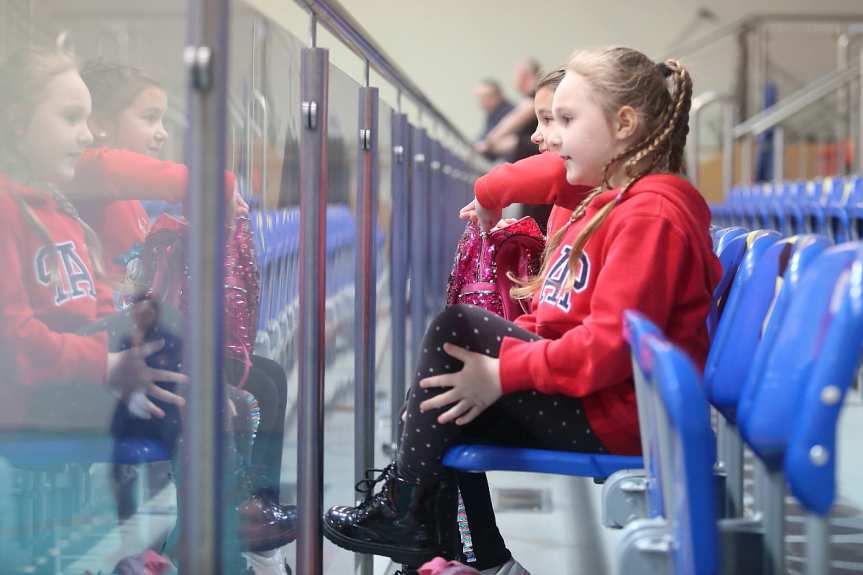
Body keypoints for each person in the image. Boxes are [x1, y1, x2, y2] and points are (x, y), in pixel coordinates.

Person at [322, 46, 722, 575]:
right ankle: (443, 536)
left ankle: (416, 514)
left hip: (625, 414)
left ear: (624, 124)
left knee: (455, 336)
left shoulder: (651, 215)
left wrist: (502, 371)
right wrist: (494, 361)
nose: (550, 136)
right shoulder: (608, 204)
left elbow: (610, 347)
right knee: (444, 390)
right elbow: (561, 322)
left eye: (568, 119)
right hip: (606, 398)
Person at [474, 79, 513, 145]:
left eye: (486, 97)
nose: (483, 101)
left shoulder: (509, 113)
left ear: (499, 95)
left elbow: (488, 140)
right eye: (480, 98)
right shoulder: (491, 114)